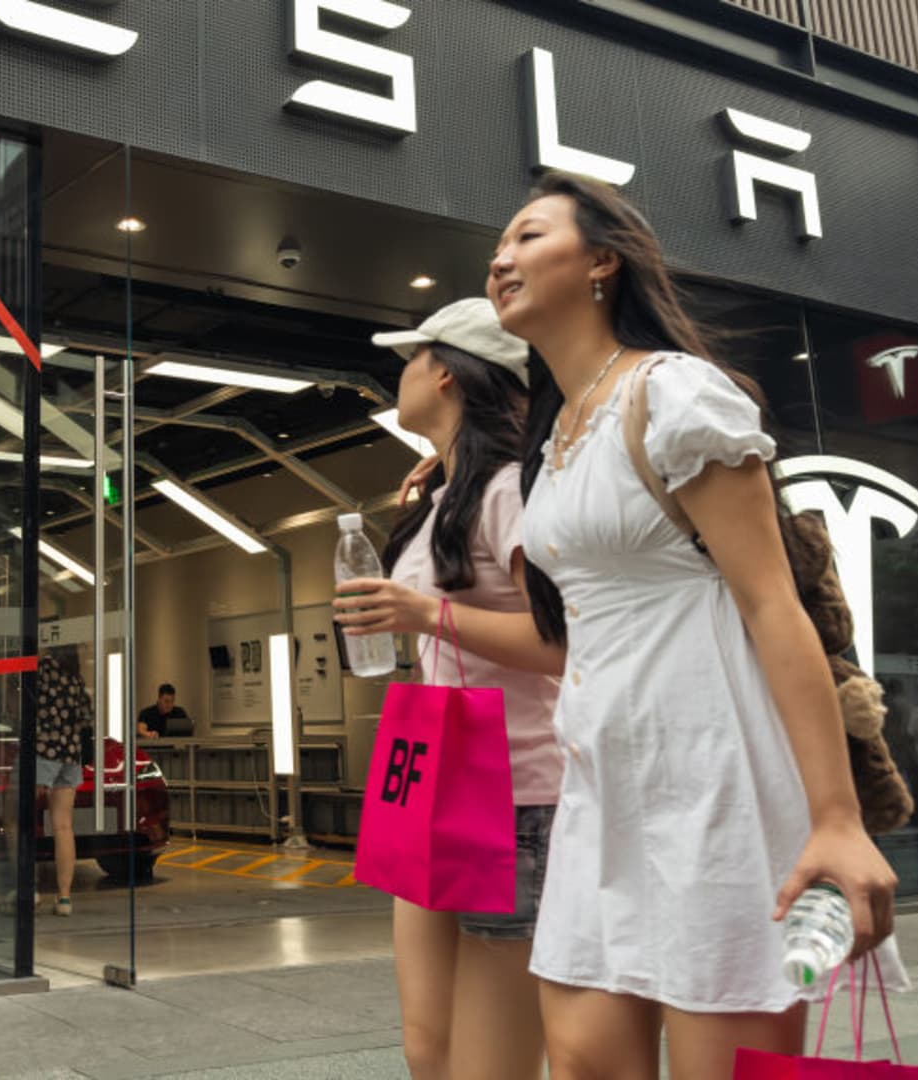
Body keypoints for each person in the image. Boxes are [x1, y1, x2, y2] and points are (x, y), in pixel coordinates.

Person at [336, 171, 901, 1079]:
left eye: (528, 237)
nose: (500, 259)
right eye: (498, 246)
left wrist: (835, 817)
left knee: (724, 1061)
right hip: (598, 779)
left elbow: (769, 604)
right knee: (582, 1056)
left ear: (603, 261)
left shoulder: (674, 394)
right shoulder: (554, 440)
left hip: (713, 768)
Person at [362, 297, 565, 1080]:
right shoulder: (445, 496)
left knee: (489, 1062)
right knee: (428, 1047)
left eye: (411, 358)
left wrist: (426, 613)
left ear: (445, 373)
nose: (402, 374)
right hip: (434, 777)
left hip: (512, 789)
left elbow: (561, 644)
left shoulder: (510, 490)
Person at [34, 649, 93, 917]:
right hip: (70, 755)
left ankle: (29, 889)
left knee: (23, 820)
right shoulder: (76, 678)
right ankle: (65, 897)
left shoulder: (43, 669)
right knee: (63, 826)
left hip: (43, 752)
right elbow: (86, 717)